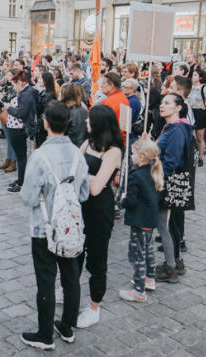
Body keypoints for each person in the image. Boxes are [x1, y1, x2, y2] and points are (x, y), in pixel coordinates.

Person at [19, 101, 89, 350]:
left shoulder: (39, 157)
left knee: (46, 280)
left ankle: (45, 333)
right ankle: (67, 326)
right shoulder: (77, 154)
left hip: (44, 227)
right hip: (71, 226)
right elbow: (84, 194)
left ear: (46, 123)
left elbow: (27, 197)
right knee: (71, 277)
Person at [75, 105, 123, 328]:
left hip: (99, 209)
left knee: (96, 259)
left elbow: (96, 188)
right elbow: (75, 164)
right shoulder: (89, 142)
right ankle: (70, 288)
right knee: (74, 252)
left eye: (90, 119)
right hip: (79, 206)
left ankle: (94, 306)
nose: (86, 122)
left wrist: (82, 176)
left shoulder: (113, 151)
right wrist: (88, 177)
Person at [153, 93, 194, 284]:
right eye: (162, 102)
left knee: (167, 226)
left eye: (167, 103)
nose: (162, 106)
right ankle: (174, 261)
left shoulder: (177, 130)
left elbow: (171, 161)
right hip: (169, 182)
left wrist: (157, 179)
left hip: (169, 183)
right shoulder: (171, 127)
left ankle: (172, 265)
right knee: (170, 225)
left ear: (178, 107)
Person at [119, 138, 163, 302]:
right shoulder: (153, 170)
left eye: (133, 153)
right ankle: (149, 278)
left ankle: (139, 291)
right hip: (150, 220)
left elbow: (130, 201)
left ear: (142, 157)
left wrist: (123, 199)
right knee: (149, 248)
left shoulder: (136, 176)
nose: (131, 156)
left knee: (137, 254)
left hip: (139, 220)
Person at [4, 71, 37, 193]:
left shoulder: (26, 94)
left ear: (22, 83)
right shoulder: (24, 93)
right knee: (20, 157)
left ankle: (21, 183)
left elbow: (21, 113)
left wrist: (9, 108)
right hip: (16, 128)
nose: (13, 87)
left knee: (21, 157)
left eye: (15, 84)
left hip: (19, 129)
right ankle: (20, 180)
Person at [187, 69, 206, 166]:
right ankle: (189, 156)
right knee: (189, 135)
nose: (193, 77)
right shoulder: (190, 87)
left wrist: (205, 104)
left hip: (200, 113)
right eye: (193, 75)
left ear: (200, 77)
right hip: (191, 112)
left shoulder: (204, 88)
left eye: (195, 75)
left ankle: (200, 158)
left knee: (200, 137)